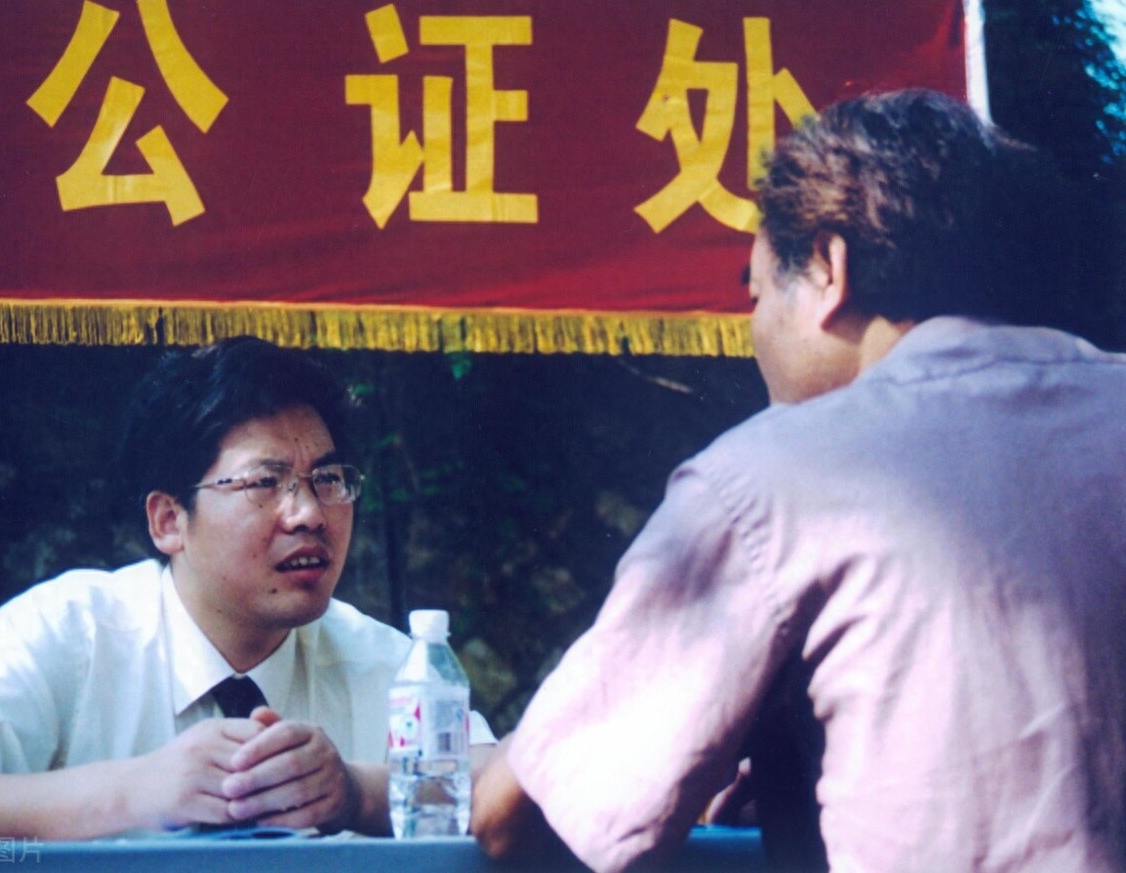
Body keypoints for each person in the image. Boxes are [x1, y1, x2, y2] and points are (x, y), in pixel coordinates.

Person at [472, 89, 1126, 872]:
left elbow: (519, 819)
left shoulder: (775, 477)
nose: (755, 331)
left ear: (827, 265)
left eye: (756, 294)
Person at [0, 336, 495, 839]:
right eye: (264, 482)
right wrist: (132, 791)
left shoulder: (389, 665)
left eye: (328, 479)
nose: (309, 514)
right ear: (168, 521)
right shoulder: (71, 631)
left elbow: (511, 791)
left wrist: (357, 793)